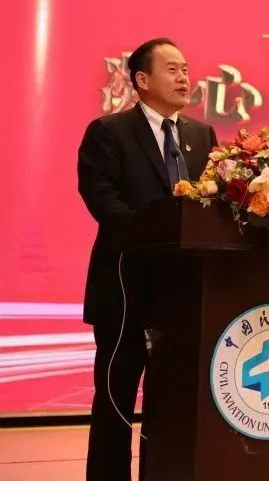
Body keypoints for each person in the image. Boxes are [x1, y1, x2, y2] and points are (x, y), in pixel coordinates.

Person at [77, 38, 217, 480]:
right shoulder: (110, 131)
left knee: (175, 398)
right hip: (126, 287)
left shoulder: (201, 135)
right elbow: (103, 200)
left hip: (184, 293)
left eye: (186, 69)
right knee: (116, 398)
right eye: (172, 69)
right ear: (142, 79)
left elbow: (211, 209)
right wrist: (155, 232)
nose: (184, 78)